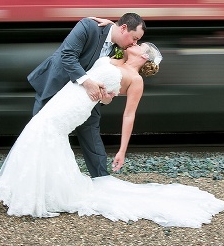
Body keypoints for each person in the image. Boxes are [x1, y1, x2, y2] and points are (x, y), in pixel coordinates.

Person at [0, 41, 224, 228]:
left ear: (143, 57)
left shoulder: (136, 80)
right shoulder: (115, 59)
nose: (134, 44)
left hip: (75, 107)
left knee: (45, 130)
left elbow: (128, 115)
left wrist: (122, 150)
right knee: (41, 130)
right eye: (135, 41)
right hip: (67, 97)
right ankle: (35, 190)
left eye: (138, 45)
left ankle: (36, 193)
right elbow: (109, 44)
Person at [27, 13, 146, 178]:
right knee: (38, 135)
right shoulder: (88, 27)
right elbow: (67, 56)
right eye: (134, 38)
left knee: (92, 138)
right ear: (124, 28)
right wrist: (87, 82)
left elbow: (120, 68)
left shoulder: (120, 49)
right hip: (56, 86)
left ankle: (102, 181)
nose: (135, 43)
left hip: (85, 99)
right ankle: (29, 185)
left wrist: (106, 94)